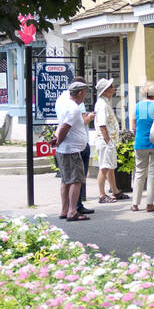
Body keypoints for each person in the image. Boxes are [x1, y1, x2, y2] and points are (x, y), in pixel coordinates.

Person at [51, 80, 91, 222]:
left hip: (66, 149)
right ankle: (72, 211)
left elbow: (61, 126)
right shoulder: (74, 108)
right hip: (71, 150)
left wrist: (57, 140)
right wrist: (59, 141)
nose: (85, 96)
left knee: (66, 180)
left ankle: (64, 209)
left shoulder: (67, 105)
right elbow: (65, 127)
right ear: (79, 93)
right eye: (85, 93)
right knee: (76, 179)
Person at [131, 81, 154, 212]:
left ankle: (135, 204)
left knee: (139, 173)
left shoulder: (137, 106)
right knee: (153, 173)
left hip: (140, 143)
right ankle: (149, 204)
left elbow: (134, 127)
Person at [94, 78, 122, 203]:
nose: (113, 89)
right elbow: (102, 125)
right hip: (105, 140)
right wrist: (108, 141)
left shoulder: (104, 103)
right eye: (111, 87)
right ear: (105, 91)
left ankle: (115, 190)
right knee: (104, 167)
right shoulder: (102, 105)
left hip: (108, 140)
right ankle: (102, 194)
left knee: (109, 166)